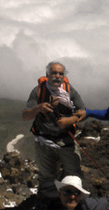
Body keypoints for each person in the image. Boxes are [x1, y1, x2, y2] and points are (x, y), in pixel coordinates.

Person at [22, 61, 87, 199]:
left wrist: (68, 121)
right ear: (47, 75)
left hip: (66, 139)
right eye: (53, 73)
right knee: (47, 177)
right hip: (44, 141)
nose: (57, 76)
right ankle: (48, 205)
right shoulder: (38, 91)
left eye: (60, 73)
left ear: (64, 76)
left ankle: (73, 204)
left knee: (73, 174)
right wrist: (38, 108)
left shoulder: (70, 91)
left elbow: (82, 111)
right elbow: (25, 116)